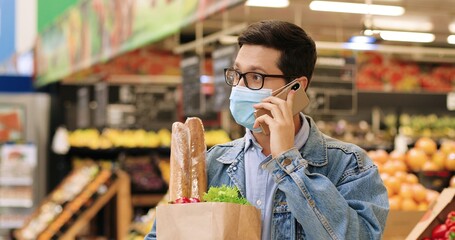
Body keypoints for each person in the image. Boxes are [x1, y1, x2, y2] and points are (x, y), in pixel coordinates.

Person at [145, 20, 389, 240]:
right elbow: (163, 234)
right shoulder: (213, 163)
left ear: (295, 88)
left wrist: (288, 163)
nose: (239, 87)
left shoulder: (349, 165)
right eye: (237, 74)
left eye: (255, 77)